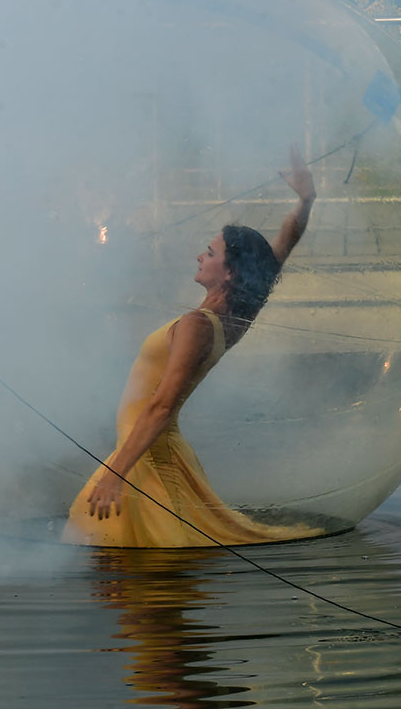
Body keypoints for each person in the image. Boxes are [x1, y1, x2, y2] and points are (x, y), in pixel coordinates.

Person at [62, 145, 318, 548]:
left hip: (146, 460)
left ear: (229, 273)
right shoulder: (234, 319)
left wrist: (117, 474)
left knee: (134, 561)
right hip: (145, 453)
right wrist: (306, 200)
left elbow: (162, 404)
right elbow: (278, 255)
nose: (200, 255)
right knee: (118, 563)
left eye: (211, 253)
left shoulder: (198, 326)